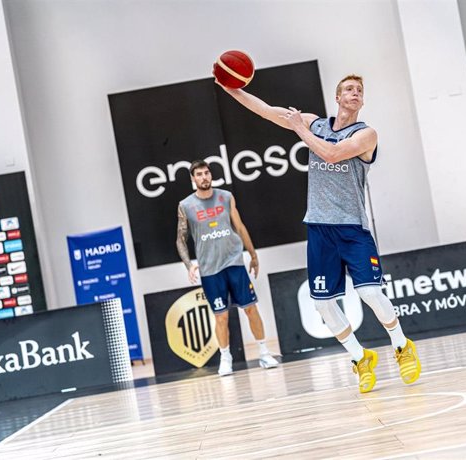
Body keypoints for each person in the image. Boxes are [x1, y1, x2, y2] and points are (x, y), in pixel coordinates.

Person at [216, 73, 421, 393]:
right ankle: (360, 357)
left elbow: (332, 154)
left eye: (359, 91)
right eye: (349, 90)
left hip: (353, 227)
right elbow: (266, 110)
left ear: (362, 101)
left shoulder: (366, 134)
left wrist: (300, 128)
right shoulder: (316, 123)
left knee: (369, 293)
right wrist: (232, 88)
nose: (355, 93)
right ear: (337, 98)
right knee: (323, 304)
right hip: (319, 227)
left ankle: (401, 344)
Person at [176, 160, 279, 376]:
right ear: (193, 179)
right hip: (209, 269)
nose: (204, 177)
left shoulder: (225, 196)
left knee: (251, 308)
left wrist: (252, 254)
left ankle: (264, 352)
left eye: (206, 173)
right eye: (199, 174)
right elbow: (180, 239)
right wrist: (189, 265)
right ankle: (226, 358)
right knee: (221, 316)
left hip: (234, 262)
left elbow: (239, 226)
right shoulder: (186, 205)